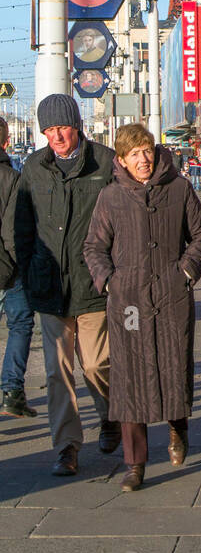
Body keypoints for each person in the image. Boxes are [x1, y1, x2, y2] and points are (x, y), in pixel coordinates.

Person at [83, 124, 201, 491]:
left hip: (171, 297)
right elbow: (93, 247)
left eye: (147, 151)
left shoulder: (178, 187)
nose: (143, 159)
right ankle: (135, 463)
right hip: (129, 303)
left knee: (173, 368)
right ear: (121, 160)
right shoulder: (111, 197)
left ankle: (178, 429)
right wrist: (110, 282)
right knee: (129, 381)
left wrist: (186, 271)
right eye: (135, 154)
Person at [13, 94, 119, 475]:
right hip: (49, 286)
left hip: (92, 284)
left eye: (62, 127)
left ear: (77, 125)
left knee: (96, 364)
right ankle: (67, 446)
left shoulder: (105, 162)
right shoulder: (33, 167)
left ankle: (110, 417)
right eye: (49, 129)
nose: (56, 135)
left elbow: (121, 219)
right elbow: (21, 225)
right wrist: (26, 270)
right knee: (58, 372)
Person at [0, 116, 37, 418]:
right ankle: (12, 391)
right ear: (6, 142)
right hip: (7, 269)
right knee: (21, 324)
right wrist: (20, 264)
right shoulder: (11, 177)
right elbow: (12, 231)